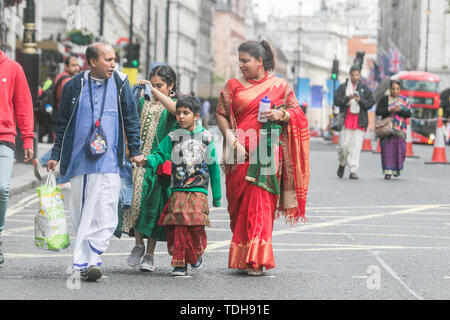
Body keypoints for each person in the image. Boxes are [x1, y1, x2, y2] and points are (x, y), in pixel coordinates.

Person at [46, 42, 144, 282]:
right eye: (107, 59)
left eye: (114, 59)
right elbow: (63, 123)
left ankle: (94, 256)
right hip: (80, 159)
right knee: (82, 210)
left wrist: (135, 150)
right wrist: (55, 154)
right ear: (92, 62)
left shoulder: (121, 83)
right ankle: (82, 259)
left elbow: (131, 119)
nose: (113, 64)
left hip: (110, 159)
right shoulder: (74, 85)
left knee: (106, 208)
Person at [216, 40, 310, 276]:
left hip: (266, 154)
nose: (241, 65)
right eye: (239, 61)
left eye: (245, 61)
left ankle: (257, 259)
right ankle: (242, 257)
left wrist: (281, 113)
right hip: (238, 153)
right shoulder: (232, 86)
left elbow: (297, 113)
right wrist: (233, 141)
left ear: (260, 62)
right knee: (237, 208)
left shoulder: (279, 85)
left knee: (260, 206)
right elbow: (221, 115)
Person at [140, 95, 221, 276]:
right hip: (177, 190)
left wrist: (216, 196)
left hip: (198, 191)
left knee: (195, 227)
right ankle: (180, 264)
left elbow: (214, 167)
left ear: (197, 115)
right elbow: (159, 154)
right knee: (177, 226)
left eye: (186, 113)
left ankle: (195, 254)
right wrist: (146, 161)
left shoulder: (206, 138)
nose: (181, 117)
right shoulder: (173, 137)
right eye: (178, 113)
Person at [117, 65, 178, 272]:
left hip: (159, 166)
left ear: (171, 86)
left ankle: (150, 254)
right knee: (136, 206)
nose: (155, 89)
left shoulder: (173, 106)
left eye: (160, 85)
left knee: (153, 211)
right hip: (137, 163)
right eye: (153, 84)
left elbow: (176, 111)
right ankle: (138, 245)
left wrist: (157, 93)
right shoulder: (143, 102)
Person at [0, 46, 35, 265]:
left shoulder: (13, 68)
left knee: (2, 188)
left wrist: (29, 138)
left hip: (4, 136)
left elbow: (23, 105)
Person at [33, 54, 80, 181]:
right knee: (66, 144)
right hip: (65, 117)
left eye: (77, 65)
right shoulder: (67, 81)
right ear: (66, 66)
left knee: (64, 144)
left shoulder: (59, 77)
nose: (77, 68)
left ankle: (59, 175)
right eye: (74, 65)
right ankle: (47, 164)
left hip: (58, 114)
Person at [334, 65, 375, 180]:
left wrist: (360, 100)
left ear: (359, 75)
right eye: (353, 75)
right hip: (346, 121)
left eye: (357, 75)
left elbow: (371, 102)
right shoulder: (343, 88)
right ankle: (342, 163)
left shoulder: (364, 88)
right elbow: (336, 101)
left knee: (356, 147)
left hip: (359, 121)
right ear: (350, 75)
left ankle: (353, 169)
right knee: (343, 146)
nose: (355, 77)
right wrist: (348, 98)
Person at [375, 80, 412, 179]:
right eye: (393, 88)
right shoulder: (384, 99)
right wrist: (389, 110)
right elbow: (378, 111)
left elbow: (409, 114)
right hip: (387, 130)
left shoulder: (404, 101)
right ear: (390, 89)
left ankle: (396, 170)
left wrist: (400, 110)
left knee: (400, 151)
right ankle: (388, 172)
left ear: (400, 89)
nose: (395, 91)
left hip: (400, 131)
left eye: (397, 89)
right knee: (387, 151)